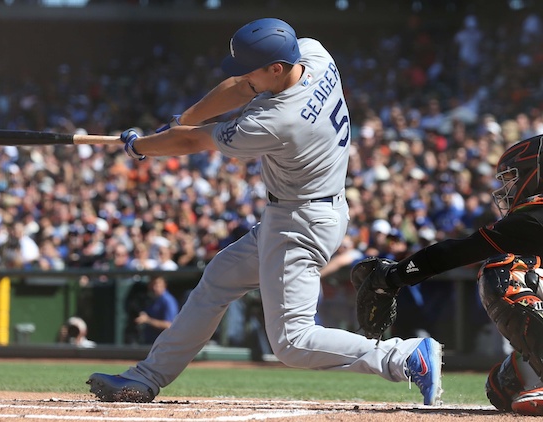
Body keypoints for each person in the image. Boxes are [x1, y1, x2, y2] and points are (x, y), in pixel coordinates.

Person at [86, 17, 442, 405]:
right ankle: (147, 377)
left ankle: (404, 356)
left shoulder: (274, 121)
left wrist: (141, 147)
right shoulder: (313, 53)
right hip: (306, 210)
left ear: (276, 68)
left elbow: (194, 143)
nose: (243, 75)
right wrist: (182, 119)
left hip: (299, 223)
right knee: (218, 279)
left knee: (292, 341)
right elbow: (238, 88)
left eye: (252, 68)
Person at [351, 134, 543, 415]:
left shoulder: (534, 213)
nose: (508, 188)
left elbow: (459, 251)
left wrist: (393, 276)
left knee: (503, 271)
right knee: (507, 384)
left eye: (513, 177)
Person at [134, 276, 179, 344]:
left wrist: (147, 320)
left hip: (163, 345)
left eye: (157, 285)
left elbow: (169, 325)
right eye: (152, 285)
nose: (154, 288)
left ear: (164, 285)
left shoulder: (168, 300)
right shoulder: (152, 298)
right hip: (150, 343)